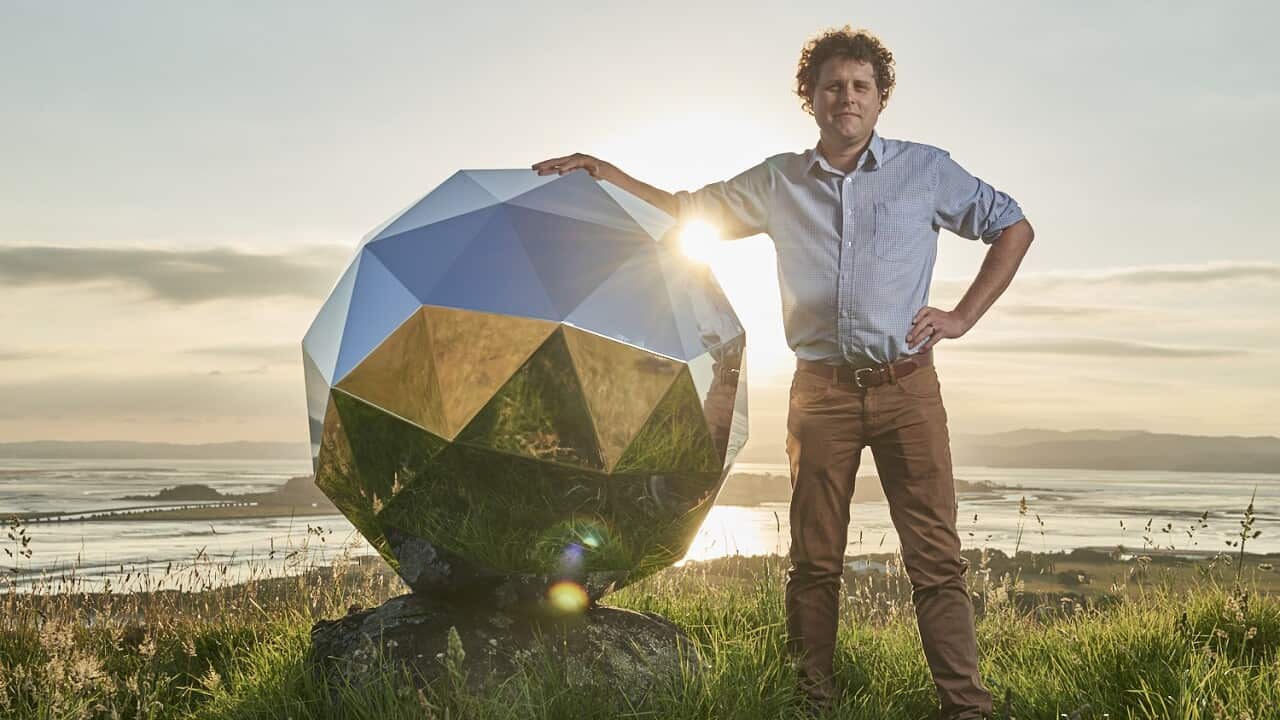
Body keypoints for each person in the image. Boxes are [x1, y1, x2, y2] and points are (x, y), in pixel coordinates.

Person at [533, 25, 1032, 720]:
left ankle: (967, 708)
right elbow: (688, 209)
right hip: (820, 394)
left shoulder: (926, 170)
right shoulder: (780, 181)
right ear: (812, 99)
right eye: (833, 87)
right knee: (814, 562)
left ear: (881, 98)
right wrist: (607, 174)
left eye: (860, 86)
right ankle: (809, 703)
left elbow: (1013, 225)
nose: (847, 97)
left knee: (936, 560)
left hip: (908, 389)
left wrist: (963, 316)